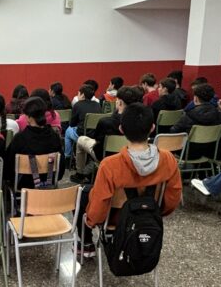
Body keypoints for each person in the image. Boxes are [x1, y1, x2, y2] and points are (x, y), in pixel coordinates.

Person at [78, 103, 182, 258]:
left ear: (121, 130)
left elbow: (100, 202)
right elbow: (173, 195)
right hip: (150, 216)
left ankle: (86, 245)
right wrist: (157, 213)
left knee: (83, 194)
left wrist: (91, 221)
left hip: (115, 219)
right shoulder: (168, 159)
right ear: (152, 128)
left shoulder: (109, 165)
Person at [74, 85, 142, 177]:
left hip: (105, 156)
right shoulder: (139, 121)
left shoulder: (105, 122)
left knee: (81, 139)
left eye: (117, 100)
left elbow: (97, 141)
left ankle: (79, 173)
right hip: (129, 155)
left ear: (120, 102)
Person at [6, 96, 66, 191]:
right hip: (48, 182)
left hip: (25, 184)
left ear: (29, 117)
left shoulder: (19, 138)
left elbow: (8, 167)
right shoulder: (54, 137)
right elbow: (61, 165)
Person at [66, 83, 103, 158]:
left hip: (81, 135)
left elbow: (72, 124)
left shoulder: (77, 105)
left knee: (68, 131)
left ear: (82, 95)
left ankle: (67, 156)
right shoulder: (97, 104)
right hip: (94, 135)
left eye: (78, 93)